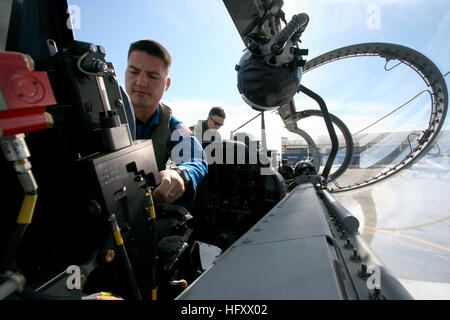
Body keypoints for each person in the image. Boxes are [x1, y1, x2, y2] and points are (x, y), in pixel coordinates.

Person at [124, 39, 207, 207]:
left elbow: (197, 159)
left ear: (167, 84)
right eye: (134, 72)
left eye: (152, 76)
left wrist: (180, 174)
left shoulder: (174, 125)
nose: (140, 81)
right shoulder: (98, 114)